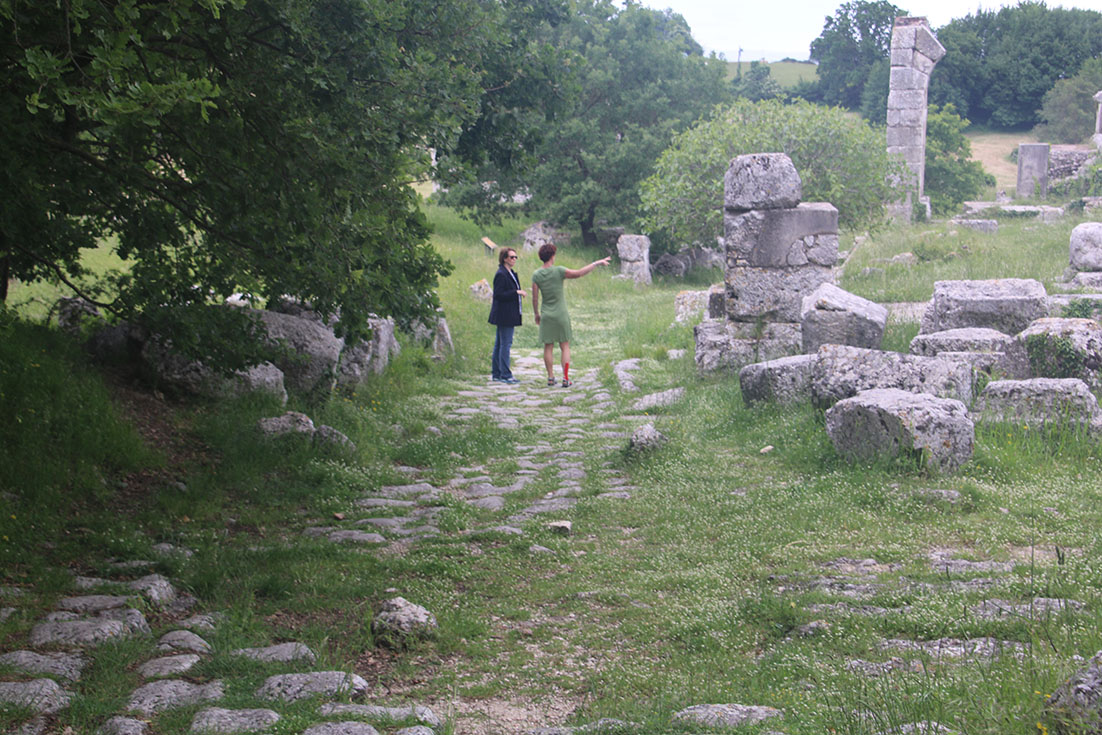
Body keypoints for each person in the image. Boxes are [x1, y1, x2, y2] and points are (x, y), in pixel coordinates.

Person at [531, 244, 610, 387]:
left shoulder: (536, 275)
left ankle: (550, 377)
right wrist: (596, 263)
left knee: (548, 346)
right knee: (564, 346)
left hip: (546, 314)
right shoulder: (559, 271)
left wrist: (536, 314)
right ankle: (566, 378)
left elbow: (535, 298)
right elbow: (579, 273)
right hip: (561, 314)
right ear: (552, 256)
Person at [488, 247, 525, 384]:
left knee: (500, 343)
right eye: (511, 257)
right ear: (504, 258)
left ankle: (497, 373)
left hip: (509, 313)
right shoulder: (501, 274)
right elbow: (498, 294)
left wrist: (517, 292)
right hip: (504, 315)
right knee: (505, 344)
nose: (514, 259)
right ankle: (505, 374)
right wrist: (516, 293)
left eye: (515, 257)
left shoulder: (511, 273)